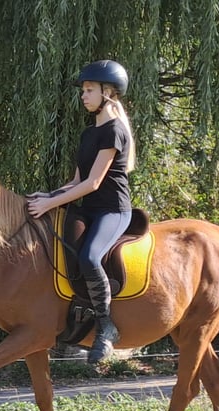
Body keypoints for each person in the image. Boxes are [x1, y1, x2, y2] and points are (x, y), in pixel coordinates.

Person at [27, 59, 135, 364]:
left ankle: (106, 326)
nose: (83, 95)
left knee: (89, 256)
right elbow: (75, 181)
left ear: (108, 93)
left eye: (89, 90)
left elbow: (93, 182)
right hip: (88, 209)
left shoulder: (114, 131)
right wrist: (48, 196)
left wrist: (50, 203)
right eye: (83, 90)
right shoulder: (89, 133)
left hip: (112, 211)